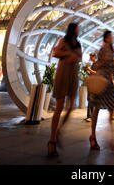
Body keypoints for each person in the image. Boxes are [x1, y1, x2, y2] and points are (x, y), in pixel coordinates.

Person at [47, 22, 82, 157]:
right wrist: (68, 54)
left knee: (71, 105)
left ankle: (59, 130)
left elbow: (80, 58)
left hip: (73, 74)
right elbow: (55, 53)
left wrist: (76, 57)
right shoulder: (63, 40)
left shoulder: (78, 43)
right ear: (73, 30)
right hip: (63, 72)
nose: (79, 30)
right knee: (59, 107)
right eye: (78, 28)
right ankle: (52, 140)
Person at [90, 30, 114, 151]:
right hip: (101, 81)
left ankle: (112, 139)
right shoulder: (102, 50)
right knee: (96, 108)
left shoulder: (111, 50)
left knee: (111, 109)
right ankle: (93, 135)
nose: (112, 38)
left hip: (109, 83)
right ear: (106, 38)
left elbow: (112, 66)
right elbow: (98, 64)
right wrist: (102, 62)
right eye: (110, 36)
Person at [83, 52, 97, 122]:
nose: (90, 58)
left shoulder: (97, 64)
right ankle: (89, 115)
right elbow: (91, 74)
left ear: (94, 56)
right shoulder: (93, 64)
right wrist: (87, 71)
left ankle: (91, 116)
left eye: (91, 57)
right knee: (89, 99)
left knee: (91, 99)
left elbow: (97, 73)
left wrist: (90, 70)